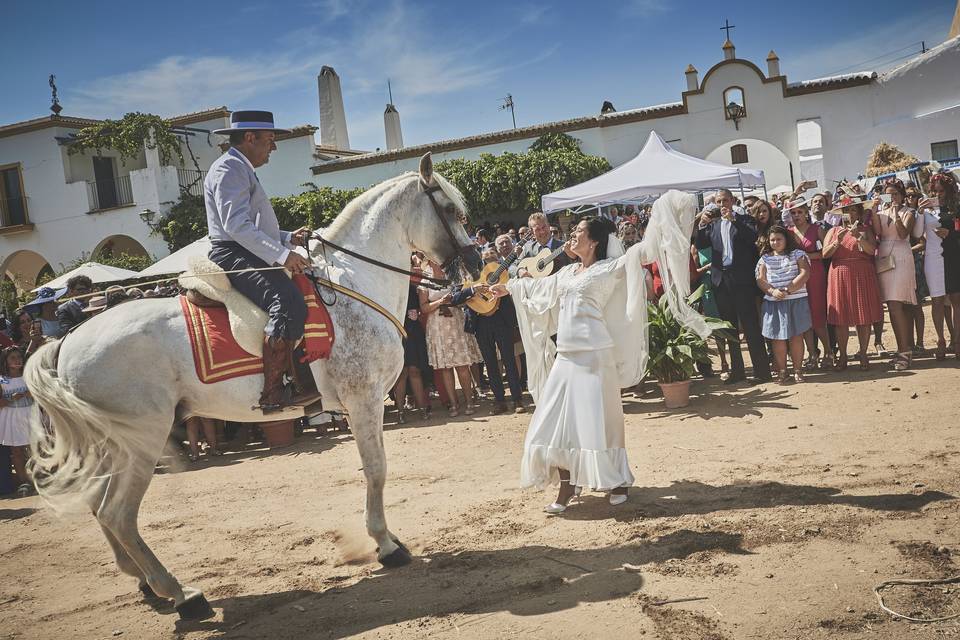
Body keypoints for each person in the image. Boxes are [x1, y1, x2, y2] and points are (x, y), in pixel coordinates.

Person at [490, 200, 709, 514]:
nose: (571, 235)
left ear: (594, 240)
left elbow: (646, 251)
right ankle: (568, 485)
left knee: (601, 422)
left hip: (595, 356)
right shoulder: (566, 273)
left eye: (578, 231)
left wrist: (665, 211)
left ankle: (617, 480)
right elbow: (539, 289)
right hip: (566, 357)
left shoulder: (611, 267)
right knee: (553, 424)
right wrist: (507, 288)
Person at [205, 110, 315, 412]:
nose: (274, 147)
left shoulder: (239, 167)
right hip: (232, 252)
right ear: (249, 138)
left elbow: (254, 226)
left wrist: (287, 237)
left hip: (243, 249)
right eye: (270, 140)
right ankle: (273, 393)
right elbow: (236, 225)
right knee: (288, 302)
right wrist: (283, 255)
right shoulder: (230, 168)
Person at [696, 188, 771, 383]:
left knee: (750, 326)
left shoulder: (744, 219)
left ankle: (762, 372)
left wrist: (734, 220)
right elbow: (700, 242)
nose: (722, 205)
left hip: (742, 280)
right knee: (729, 328)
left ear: (732, 201)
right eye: (719, 202)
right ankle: (737, 371)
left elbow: (752, 237)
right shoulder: (713, 225)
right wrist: (703, 223)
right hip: (721, 280)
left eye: (725, 201)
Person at [450, 246, 526, 415]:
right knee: (490, 363)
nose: (489, 258)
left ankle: (517, 399)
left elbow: (515, 282)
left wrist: (515, 256)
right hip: (480, 322)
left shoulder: (504, 270)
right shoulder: (464, 276)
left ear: (497, 257)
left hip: (501, 319)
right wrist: (472, 290)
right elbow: (454, 298)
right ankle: (499, 401)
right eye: (486, 256)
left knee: (509, 360)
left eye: (492, 255)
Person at [823, 198, 882, 370]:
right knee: (840, 318)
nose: (850, 214)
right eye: (846, 211)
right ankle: (842, 355)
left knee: (863, 316)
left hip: (862, 272)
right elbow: (825, 254)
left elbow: (872, 251)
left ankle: (863, 353)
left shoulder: (866, 230)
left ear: (860, 213)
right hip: (839, 273)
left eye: (853, 211)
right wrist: (837, 241)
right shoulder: (833, 231)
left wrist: (858, 237)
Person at [419, 261, 482, 417]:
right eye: (432, 258)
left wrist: (453, 299)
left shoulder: (452, 275)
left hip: (456, 321)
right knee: (446, 368)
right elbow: (424, 307)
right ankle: (454, 404)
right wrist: (441, 301)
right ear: (428, 261)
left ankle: (469, 402)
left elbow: (463, 296)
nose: (437, 261)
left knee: (462, 365)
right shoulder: (424, 281)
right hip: (437, 326)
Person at [756, 226, 812, 384]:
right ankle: (782, 371)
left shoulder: (798, 254)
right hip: (774, 303)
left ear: (786, 239)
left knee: (796, 336)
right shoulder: (764, 258)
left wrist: (788, 290)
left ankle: (798, 370)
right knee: (778, 339)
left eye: (779, 239)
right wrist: (772, 291)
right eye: (772, 239)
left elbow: (805, 273)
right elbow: (760, 279)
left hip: (796, 300)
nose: (775, 242)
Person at [872, 178, 917, 371]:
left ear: (902, 196)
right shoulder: (881, 213)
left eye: (895, 194)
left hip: (901, 257)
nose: (892, 198)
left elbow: (902, 233)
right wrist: (874, 210)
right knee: (894, 305)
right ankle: (905, 349)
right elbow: (877, 232)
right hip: (884, 259)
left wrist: (897, 214)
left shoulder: (909, 212)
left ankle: (904, 351)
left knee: (895, 304)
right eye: (888, 194)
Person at [787, 200, 831, 369]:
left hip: (816, 274)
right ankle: (812, 354)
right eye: (793, 213)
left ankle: (828, 351)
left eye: (799, 212)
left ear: (806, 213)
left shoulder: (816, 229)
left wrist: (806, 257)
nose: (796, 215)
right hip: (797, 277)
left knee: (818, 316)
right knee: (804, 317)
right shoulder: (789, 233)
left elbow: (826, 252)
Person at [393, 253, 431, 423]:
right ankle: (400, 412)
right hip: (395, 335)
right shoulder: (389, 289)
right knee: (400, 374)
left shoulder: (413, 289)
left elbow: (422, 307)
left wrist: (417, 313)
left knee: (415, 371)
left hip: (413, 333)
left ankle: (422, 408)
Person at [929, 171, 960, 358]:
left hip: (954, 256)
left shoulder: (957, 207)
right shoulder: (928, 208)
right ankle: (941, 340)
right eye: (935, 190)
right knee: (938, 301)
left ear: (949, 190)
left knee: (956, 300)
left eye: (941, 191)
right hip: (935, 259)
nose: (937, 194)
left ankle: (957, 341)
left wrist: (951, 235)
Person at [0, 347, 34, 496]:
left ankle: (40, 477)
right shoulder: (2, 380)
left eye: (19, 357)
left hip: (30, 415)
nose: (17, 360)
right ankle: (24, 481)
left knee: (35, 448)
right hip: (11, 418)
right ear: (6, 362)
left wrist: (30, 393)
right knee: (17, 451)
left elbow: (39, 394)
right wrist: (10, 399)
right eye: (12, 358)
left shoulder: (28, 376)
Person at [518, 212, 575, 276]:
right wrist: (520, 270)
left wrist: (572, 256)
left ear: (548, 225)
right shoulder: (528, 249)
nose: (542, 231)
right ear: (532, 232)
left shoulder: (564, 246)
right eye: (538, 229)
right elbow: (514, 265)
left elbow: (578, 265)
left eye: (544, 227)